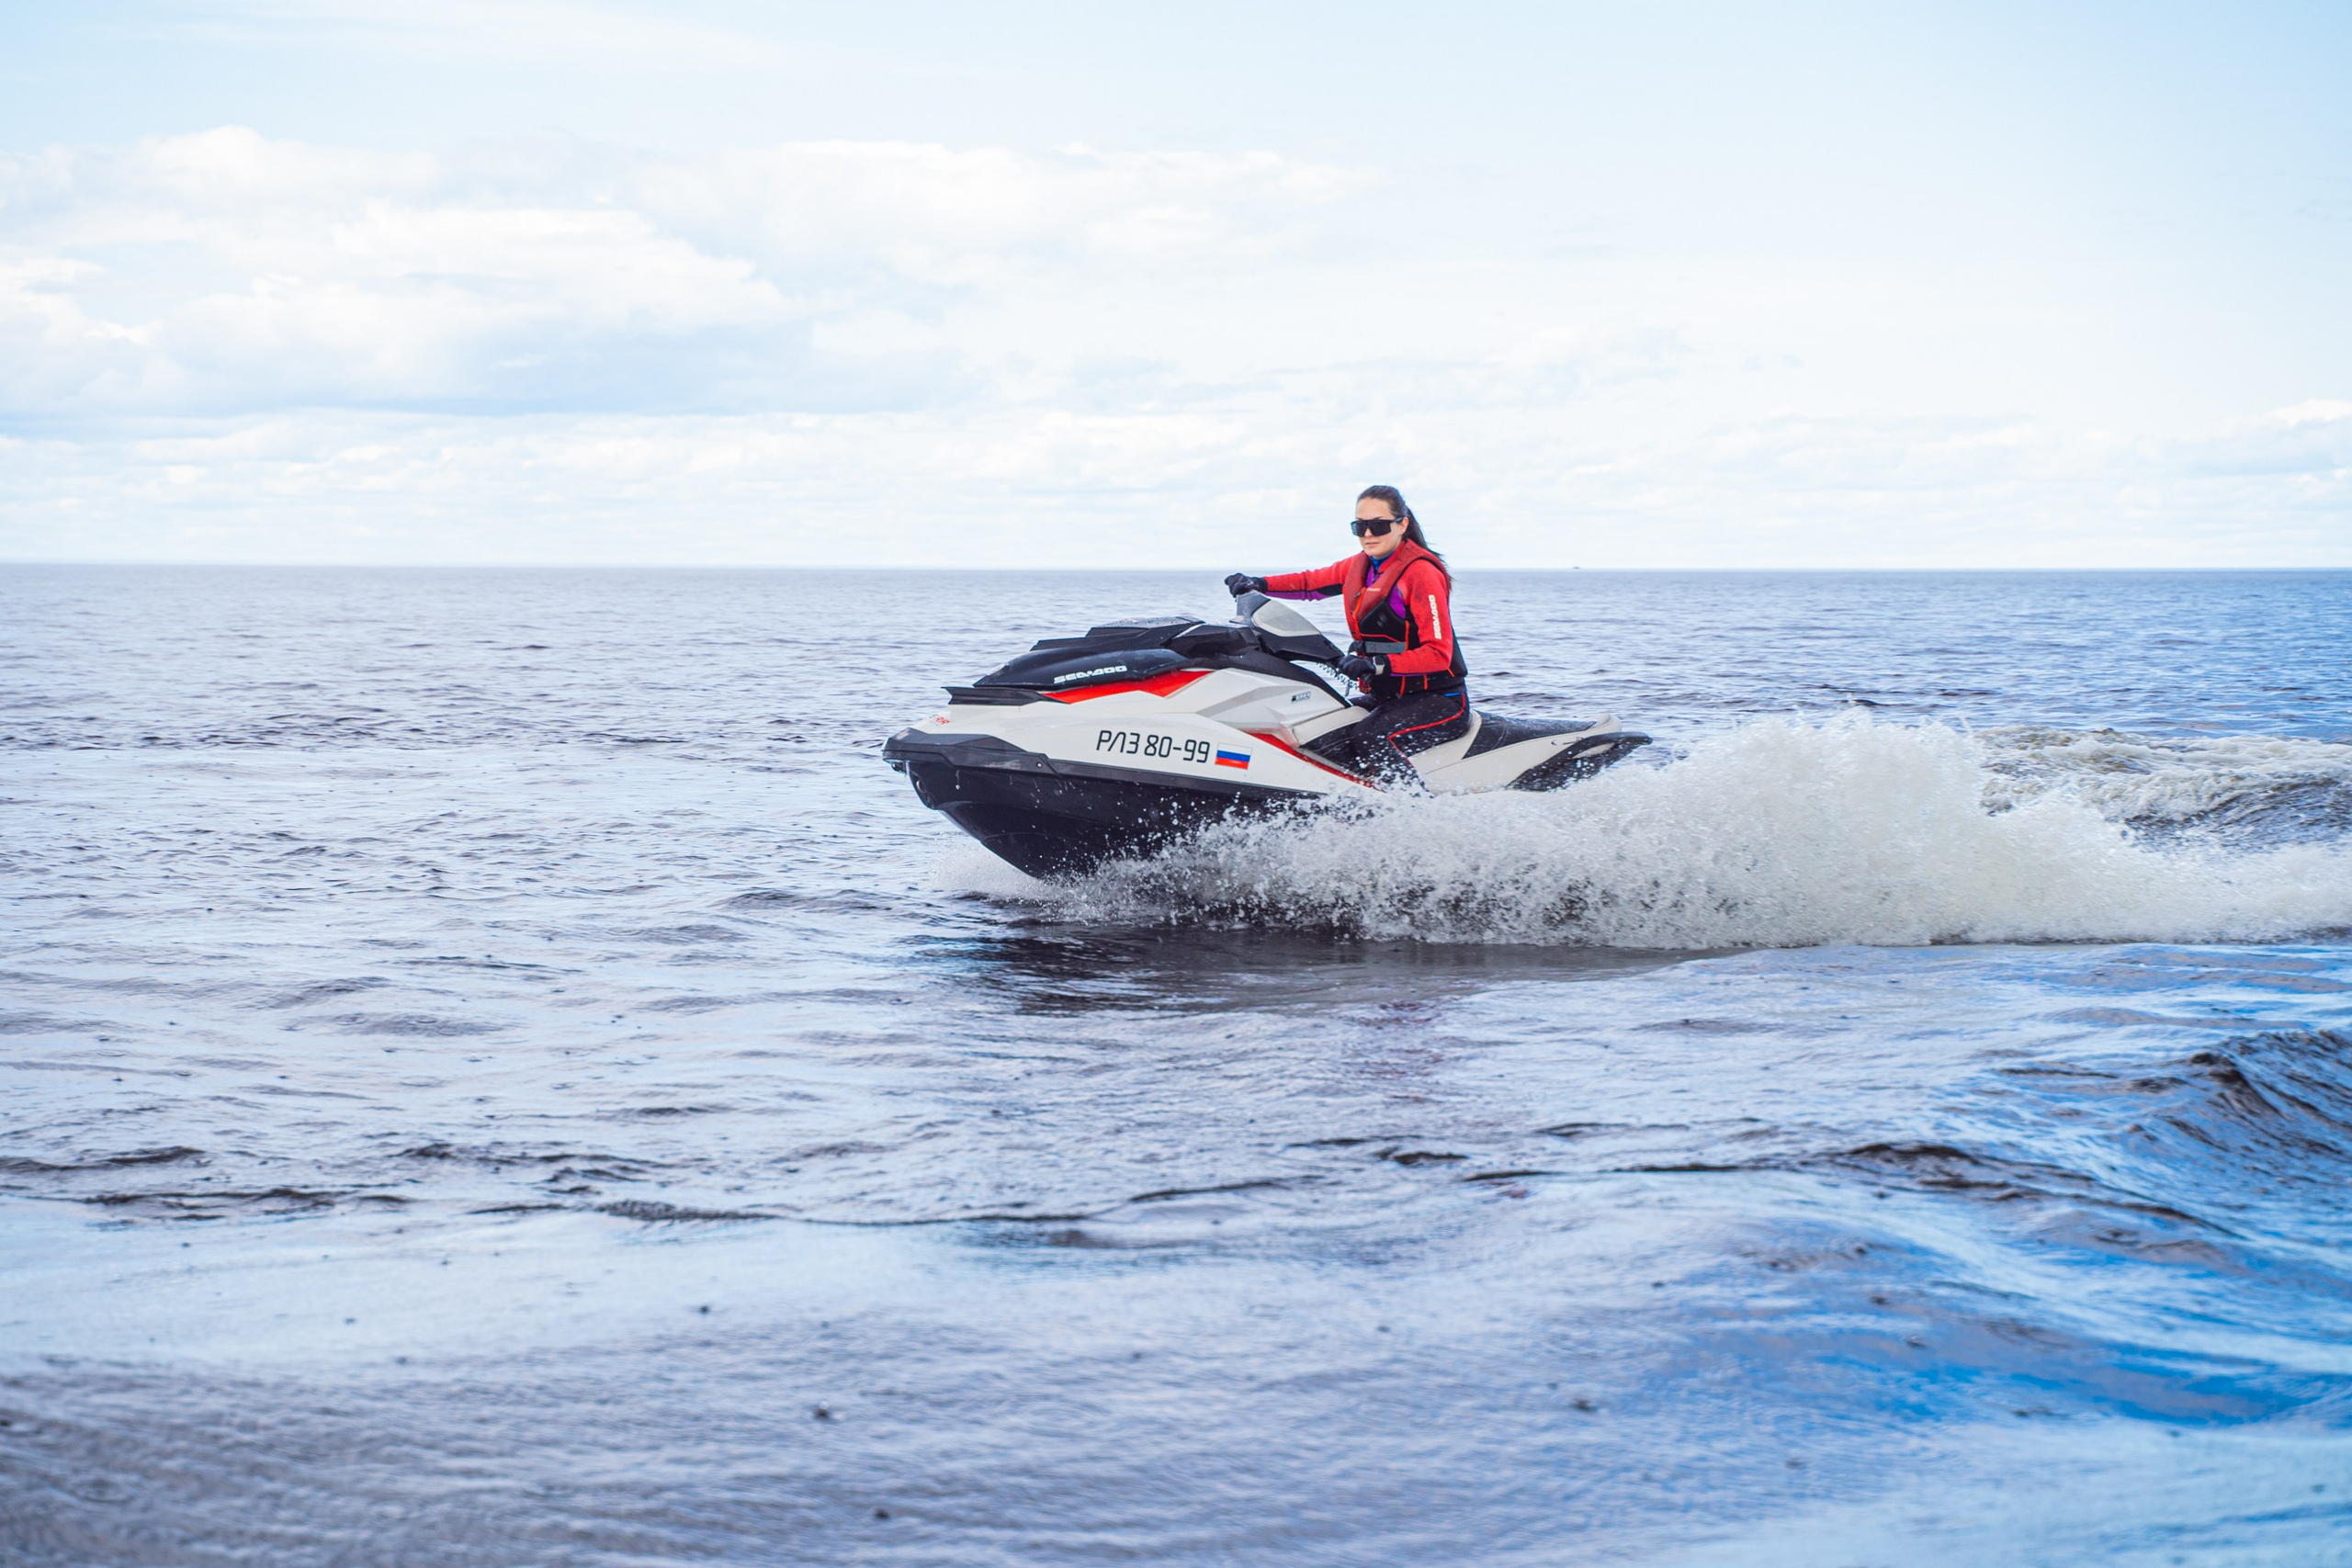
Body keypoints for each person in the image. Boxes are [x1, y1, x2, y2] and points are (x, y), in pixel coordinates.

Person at [1225, 485, 1470, 783]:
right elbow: (1308, 583)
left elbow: (1438, 654)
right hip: (1389, 696)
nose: (1368, 534)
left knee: (1371, 736)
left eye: (1378, 525)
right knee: (1325, 726)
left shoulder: (1421, 573)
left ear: (1402, 524)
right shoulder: (1360, 566)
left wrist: (1376, 665)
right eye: (1360, 526)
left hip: (1440, 700)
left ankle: (1413, 815)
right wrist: (1258, 583)